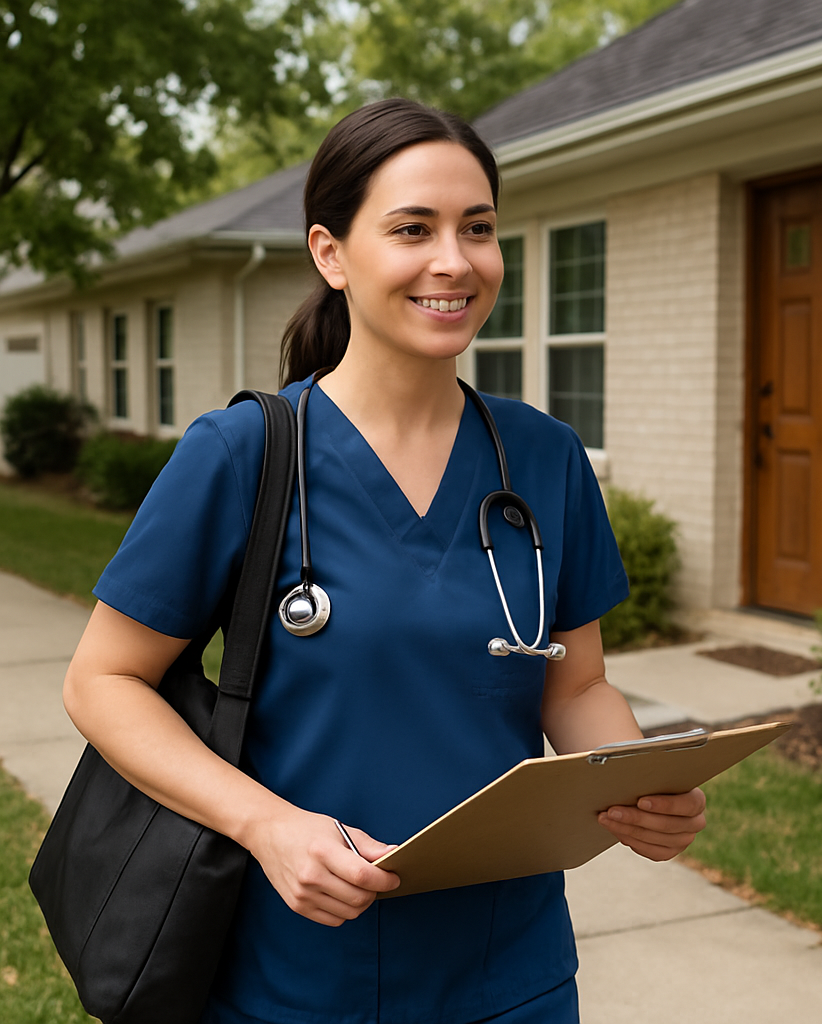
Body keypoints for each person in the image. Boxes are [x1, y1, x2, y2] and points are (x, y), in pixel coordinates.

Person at [63, 98, 707, 1024]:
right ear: (331, 254)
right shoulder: (242, 453)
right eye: (414, 228)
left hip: (510, 973)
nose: (455, 260)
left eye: (477, 228)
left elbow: (573, 683)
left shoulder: (545, 457)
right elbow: (103, 681)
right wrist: (267, 825)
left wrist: (630, 778)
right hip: (295, 972)